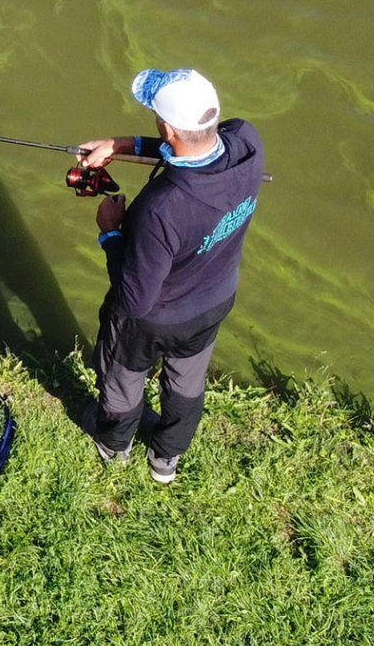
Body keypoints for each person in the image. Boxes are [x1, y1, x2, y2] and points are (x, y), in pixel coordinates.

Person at [77, 68, 265, 484]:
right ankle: (166, 460)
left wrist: (110, 231)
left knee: (122, 382)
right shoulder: (248, 144)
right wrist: (119, 146)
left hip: (153, 320)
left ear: (166, 127)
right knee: (186, 385)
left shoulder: (163, 209)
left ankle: (115, 444)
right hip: (214, 302)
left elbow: (135, 299)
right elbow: (190, 148)